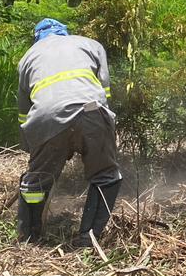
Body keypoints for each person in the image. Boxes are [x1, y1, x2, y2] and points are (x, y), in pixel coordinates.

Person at [16, 18, 122, 246]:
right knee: (105, 176)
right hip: (91, 110)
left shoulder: (28, 57)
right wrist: (104, 128)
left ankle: (30, 239)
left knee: (36, 182)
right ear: (65, 33)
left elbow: (24, 109)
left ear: (38, 38)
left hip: (45, 119)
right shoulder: (89, 44)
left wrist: (34, 147)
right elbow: (104, 88)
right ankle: (88, 239)